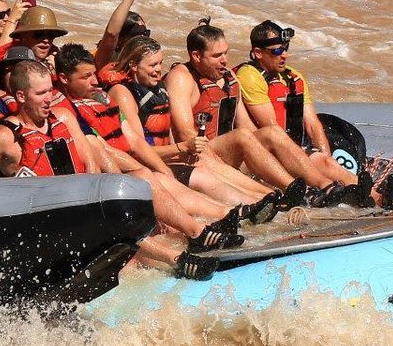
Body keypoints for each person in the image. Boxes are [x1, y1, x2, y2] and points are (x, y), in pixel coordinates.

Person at [92, 38, 276, 214]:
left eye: (160, 63)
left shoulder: (157, 88)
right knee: (202, 176)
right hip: (147, 166)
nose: (158, 70)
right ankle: (249, 206)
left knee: (204, 160)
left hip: (166, 160)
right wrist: (181, 148)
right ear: (133, 65)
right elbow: (139, 150)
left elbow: (169, 134)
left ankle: (267, 197)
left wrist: (183, 153)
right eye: (152, 65)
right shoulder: (123, 93)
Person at [162, 19, 316, 198]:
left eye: (226, 53)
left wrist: (268, 155)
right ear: (196, 56)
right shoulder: (181, 78)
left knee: (271, 133)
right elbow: (185, 134)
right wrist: (219, 164)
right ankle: (291, 190)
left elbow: (248, 128)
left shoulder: (229, 78)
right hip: (198, 156)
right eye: (217, 55)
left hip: (224, 155)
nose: (224, 60)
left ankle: (321, 187)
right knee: (241, 137)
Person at [234, 20, 360, 197]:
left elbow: (312, 124)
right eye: (277, 51)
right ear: (258, 53)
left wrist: (326, 155)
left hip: (291, 150)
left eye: (286, 48)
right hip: (260, 153)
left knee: (327, 162)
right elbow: (272, 130)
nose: (284, 55)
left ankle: (371, 194)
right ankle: (337, 189)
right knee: (319, 163)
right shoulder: (249, 76)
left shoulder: (294, 77)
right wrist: (306, 161)